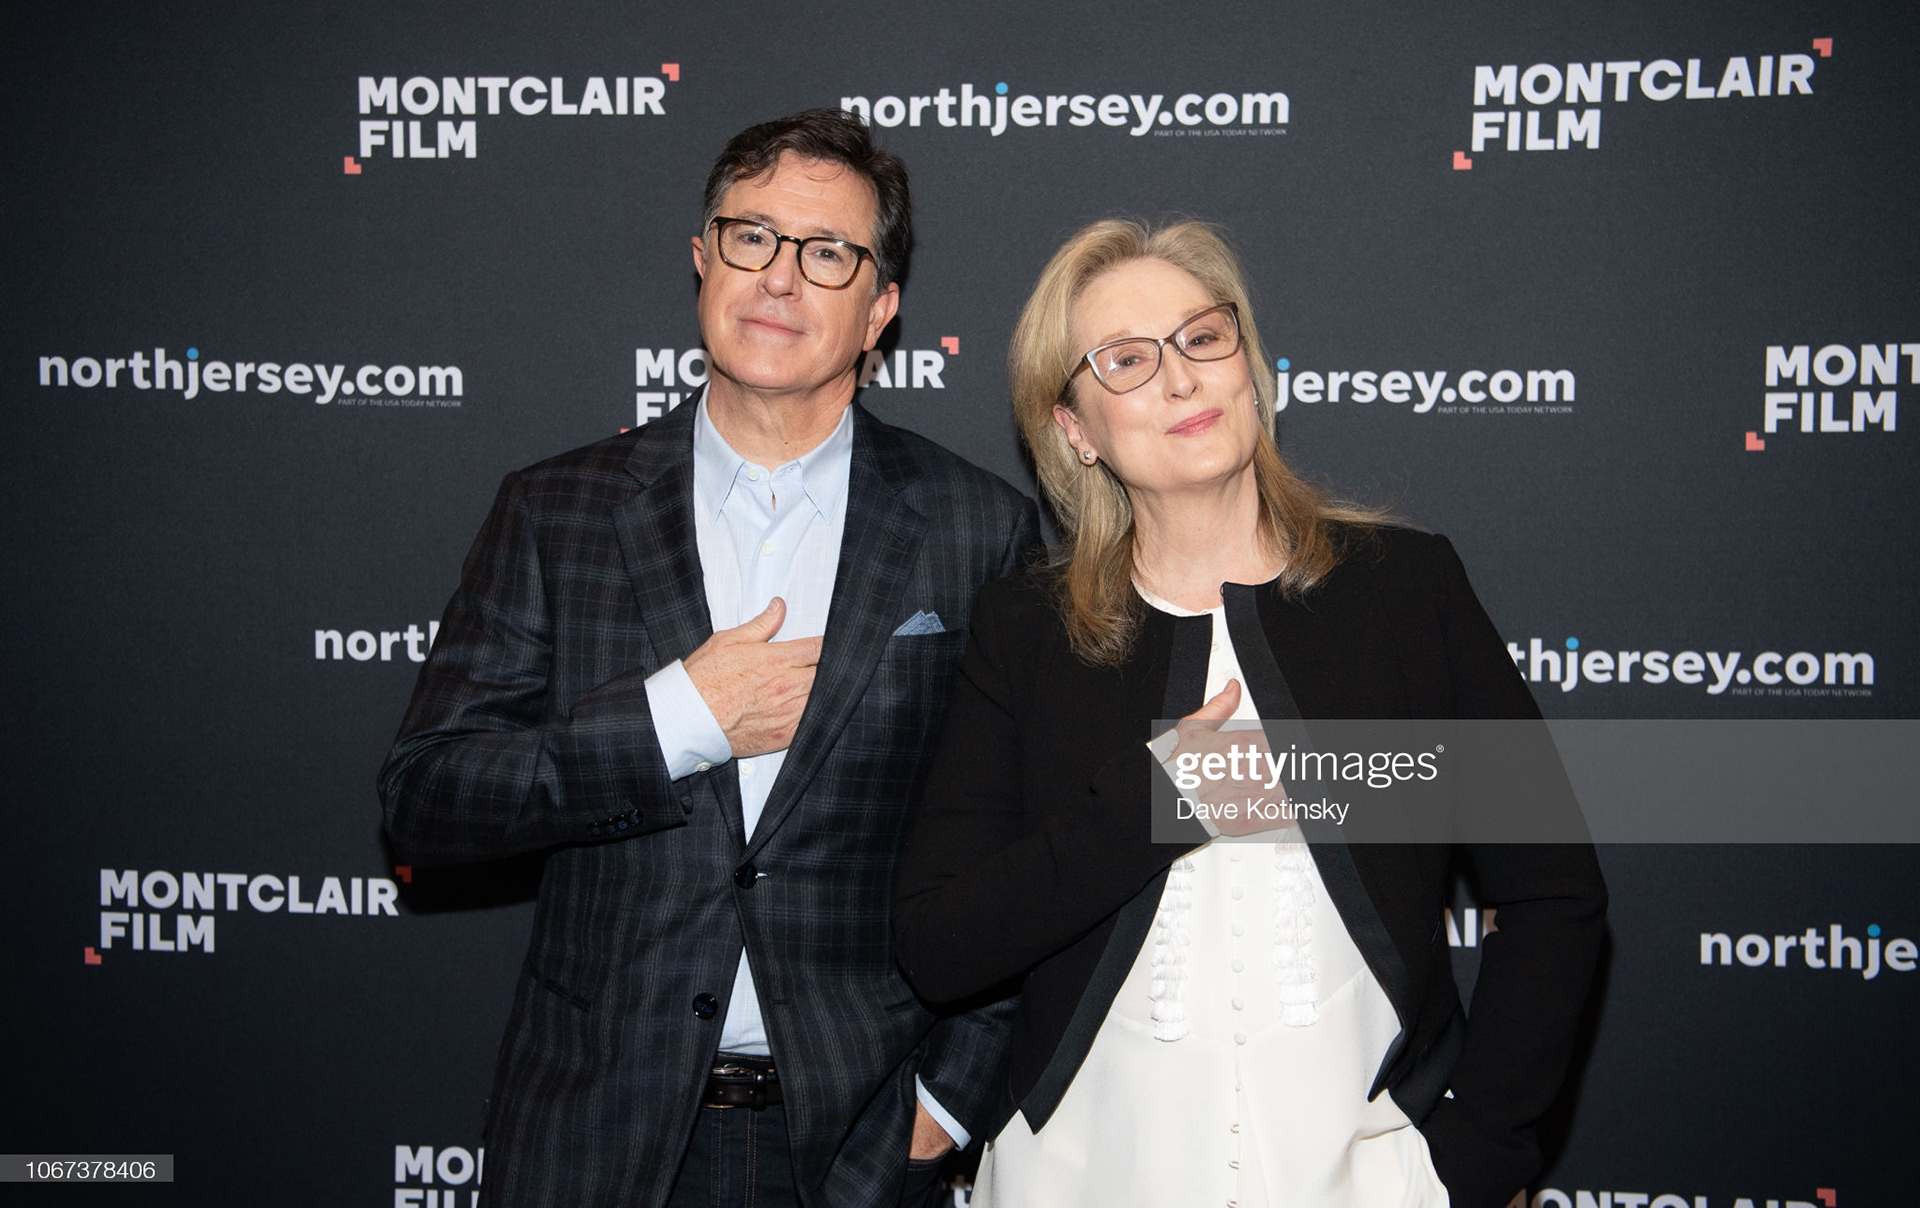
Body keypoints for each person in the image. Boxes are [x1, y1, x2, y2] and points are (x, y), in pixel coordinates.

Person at [379, 108, 1039, 1208]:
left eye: (827, 253)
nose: (780, 277)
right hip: (596, 1133)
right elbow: (428, 797)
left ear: (879, 309)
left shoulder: (979, 530)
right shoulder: (557, 510)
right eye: (751, 236)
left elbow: (1024, 847)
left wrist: (950, 1101)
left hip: (858, 1144)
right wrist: (672, 719)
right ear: (701, 261)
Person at [892, 220, 1607, 1208]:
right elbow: (942, 939)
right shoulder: (1029, 629)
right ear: (1075, 428)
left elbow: (1554, 893)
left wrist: (1471, 1159)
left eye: (1203, 337)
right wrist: (1152, 805)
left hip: (1374, 1181)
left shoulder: (1406, 591)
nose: (1181, 378)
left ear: (1248, 366)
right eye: (1128, 360)